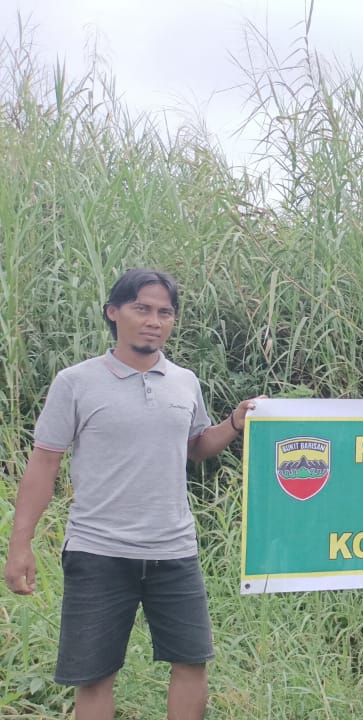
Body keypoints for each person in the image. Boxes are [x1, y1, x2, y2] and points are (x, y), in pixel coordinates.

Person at [3, 269, 260, 720]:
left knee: (192, 662)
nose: (153, 321)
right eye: (141, 308)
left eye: (165, 312)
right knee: (95, 675)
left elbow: (196, 448)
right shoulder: (75, 382)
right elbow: (44, 462)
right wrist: (19, 544)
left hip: (175, 550)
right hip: (97, 550)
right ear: (113, 313)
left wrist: (234, 424)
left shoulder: (185, 381)